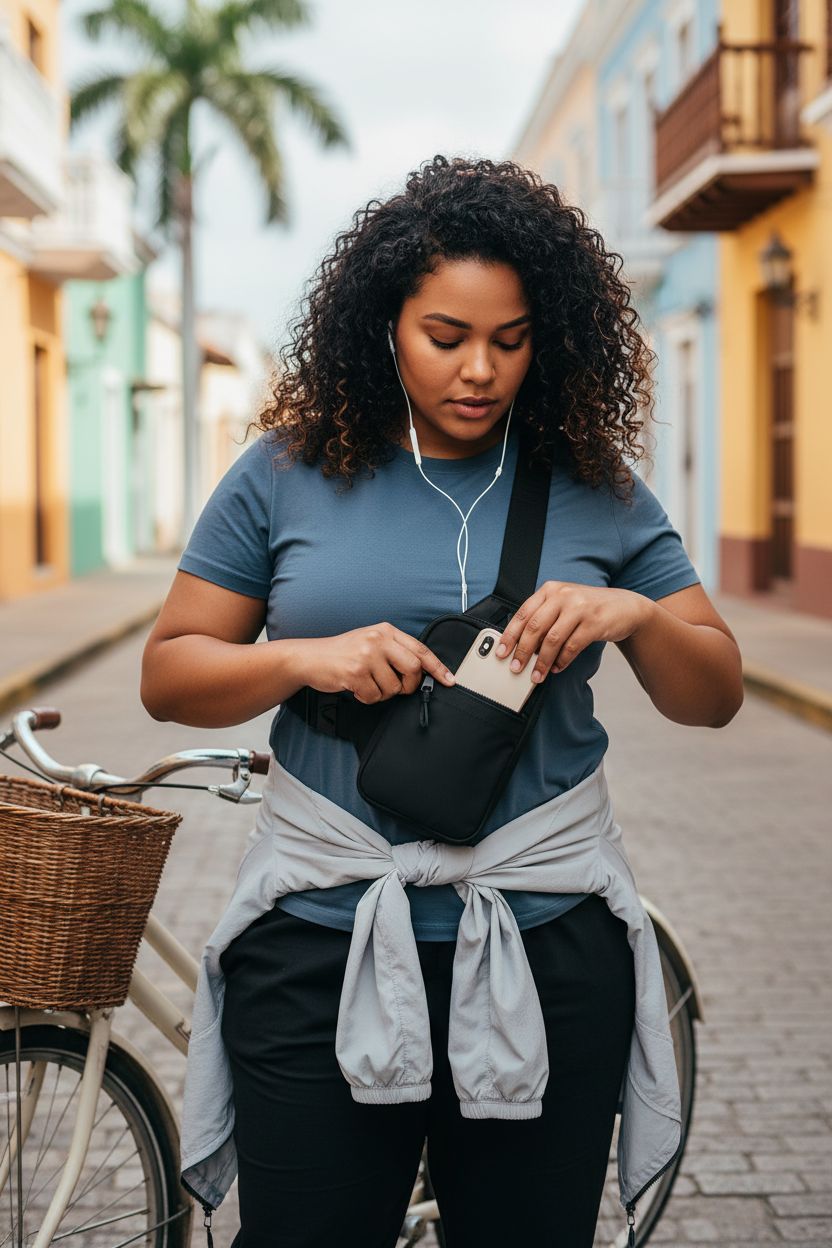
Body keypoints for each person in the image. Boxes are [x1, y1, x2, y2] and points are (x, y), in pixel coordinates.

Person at [141, 155, 743, 1248]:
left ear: (545, 336)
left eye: (509, 341)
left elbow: (716, 696)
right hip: (319, 944)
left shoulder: (594, 483)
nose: (480, 372)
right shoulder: (287, 471)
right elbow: (170, 673)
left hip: (545, 944)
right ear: (384, 325)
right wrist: (301, 661)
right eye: (445, 337)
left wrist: (640, 620)